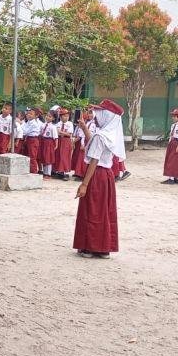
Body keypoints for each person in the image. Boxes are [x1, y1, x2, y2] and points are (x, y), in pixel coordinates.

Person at [73, 99, 124, 259]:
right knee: (104, 211)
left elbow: (94, 159)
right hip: (107, 177)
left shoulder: (101, 136)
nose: (96, 117)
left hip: (95, 176)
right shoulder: (111, 135)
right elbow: (95, 144)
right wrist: (83, 128)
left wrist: (84, 184)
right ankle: (103, 248)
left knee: (92, 210)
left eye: (99, 113)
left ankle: (89, 246)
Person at [162, 108, 178, 184]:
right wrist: (169, 143)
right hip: (172, 142)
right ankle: (172, 176)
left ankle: (172, 178)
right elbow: (171, 135)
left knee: (174, 160)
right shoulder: (173, 125)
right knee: (170, 159)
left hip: (177, 142)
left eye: (175, 116)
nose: (173, 117)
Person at [54, 108, 74, 181]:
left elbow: (69, 134)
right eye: (64, 116)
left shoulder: (70, 124)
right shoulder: (57, 124)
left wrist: (61, 132)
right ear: (60, 116)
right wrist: (60, 132)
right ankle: (60, 172)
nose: (66, 117)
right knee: (58, 155)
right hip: (59, 140)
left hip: (66, 141)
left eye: (67, 116)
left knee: (65, 156)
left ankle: (66, 173)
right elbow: (56, 133)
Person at [23, 108, 43, 174]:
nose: (28, 115)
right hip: (28, 139)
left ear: (36, 116)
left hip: (33, 140)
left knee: (32, 156)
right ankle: (28, 170)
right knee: (27, 154)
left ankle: (34, 171)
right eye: (28, 113)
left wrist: (20, 128)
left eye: (31, 114)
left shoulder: (34, 123)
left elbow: (25, 131)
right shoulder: (27, 122)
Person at [39, 111, 59, 179]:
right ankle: (44, 173)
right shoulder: (42, 125)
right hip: (43, 141)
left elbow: (55, 137)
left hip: (49, 142)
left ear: (53, 119)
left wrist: (56, 145)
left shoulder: (53, 127)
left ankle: (48, 174)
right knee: (43, 157)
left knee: (48, 158)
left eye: (50, 116)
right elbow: (40, 133)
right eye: (47, 115)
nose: (47, 117)